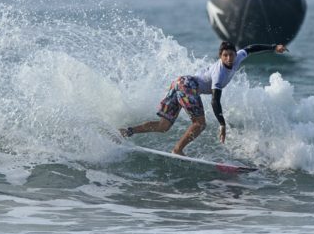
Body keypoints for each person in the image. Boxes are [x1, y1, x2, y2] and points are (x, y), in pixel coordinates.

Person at [120, 41, 287, 155]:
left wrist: (274, 47)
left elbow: (251, 48)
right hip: (187, 86)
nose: (229, 58)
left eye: (231, 55)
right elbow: (215, 100)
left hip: (180, 82)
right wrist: (222, 124)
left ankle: (128, 131)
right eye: (225, 56)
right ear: (220, 56)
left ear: (236, 54)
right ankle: (177, 150)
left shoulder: (238, 58)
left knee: (163, 126)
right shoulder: (219, 73)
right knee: (200, 124)